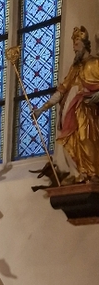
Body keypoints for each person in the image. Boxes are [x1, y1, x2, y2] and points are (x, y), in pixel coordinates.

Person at [36, 25, 99, 181]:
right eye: (73, 46)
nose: (74, 49)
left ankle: (93, 173)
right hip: (72, 111)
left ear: (85, 45)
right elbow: (62, 91)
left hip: (88, 110)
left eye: (77, 45)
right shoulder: (74, 69)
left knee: (86, 139)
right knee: (69, 141)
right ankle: (80, 173)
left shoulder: (95, 63)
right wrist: (42, 109)